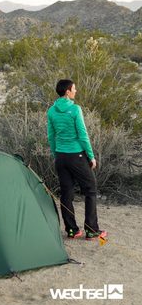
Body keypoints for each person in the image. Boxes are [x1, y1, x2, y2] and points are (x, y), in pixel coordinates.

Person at [47, 79, 107, 240]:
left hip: (60, 157)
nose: (76, 91)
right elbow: (83, 135)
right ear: (67, 91)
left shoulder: (51, 111)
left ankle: (72, 230)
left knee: (66, 192)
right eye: (74, 88)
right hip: (76, 156)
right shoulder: (75, 109)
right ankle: (91, 230)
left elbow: (51, 136)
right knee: (91, 189)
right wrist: (92, 156)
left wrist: (56, 154)